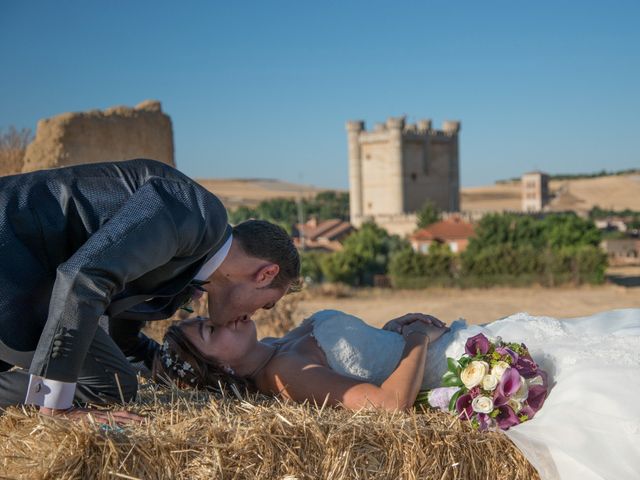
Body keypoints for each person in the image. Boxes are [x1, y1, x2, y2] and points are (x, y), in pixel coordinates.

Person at [155, 308, 640, 480]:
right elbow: (389, 406)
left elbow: (360, 351)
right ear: (217, 366)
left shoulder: (281, 345)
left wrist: (389, 331)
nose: (220, 318)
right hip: (454, 360)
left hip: (462, 339)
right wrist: (414, 341)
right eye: (208, 330)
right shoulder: (286, 372)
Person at [0, 158, 301, 421]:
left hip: (24, 277)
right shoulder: (193, 213)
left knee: (115, 378)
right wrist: (55, 406)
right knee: (111, 384)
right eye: (266, 305)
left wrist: (180, 367)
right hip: (12, 262)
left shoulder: (194, 261)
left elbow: (120, 335)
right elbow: (84, 278)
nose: (251, 316)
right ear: (265, 274)